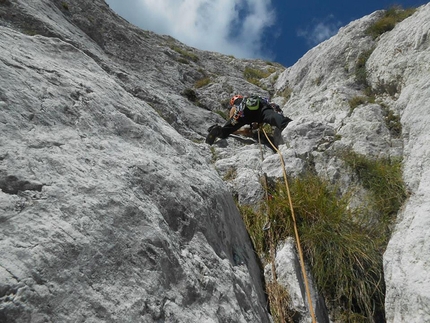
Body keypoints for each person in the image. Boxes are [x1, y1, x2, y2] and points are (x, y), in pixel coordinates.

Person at [205, 95, 292, 146]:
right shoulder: (252, 98)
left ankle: (219, 131)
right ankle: (286, 123)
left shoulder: (236, 107)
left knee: (228, 129)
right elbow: (272, 105)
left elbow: (232, 120)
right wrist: (279, 113)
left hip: (242, 114)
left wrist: (233, 127)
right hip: (261, 110)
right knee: (272, 116)